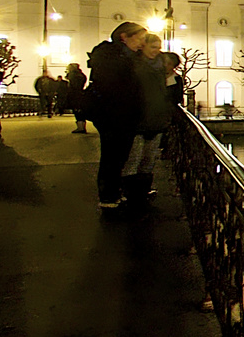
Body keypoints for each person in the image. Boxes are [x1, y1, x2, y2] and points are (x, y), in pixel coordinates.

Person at [87, 22, 148, 209]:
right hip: (114, 114)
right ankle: (107, 196)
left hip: (124, 114)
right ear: (124, 36)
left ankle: (113, 192)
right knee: (112, 155)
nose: (141, 44)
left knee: (119, 155)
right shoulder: (112, 57)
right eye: (139, 39)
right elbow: (113, 87)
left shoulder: (127, 57)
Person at [118, 39, 177, 206]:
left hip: (156, 119)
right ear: (143, 46)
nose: (156, 51)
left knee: (149, 159)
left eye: (158, 48)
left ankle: (142, 192)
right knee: (134, 159)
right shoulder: (135, 65)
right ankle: (130, 195)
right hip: (138, 119)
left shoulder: (159, 67)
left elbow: (162, 94)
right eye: (153, 47)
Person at [65, 62, 89, 133]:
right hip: (80, 93)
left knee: (77, 110)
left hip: (75, 95)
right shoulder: (81, 75)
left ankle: (80, 127)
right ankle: (82, 126)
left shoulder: (73, 75)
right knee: (80, 110)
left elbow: (73, 86)